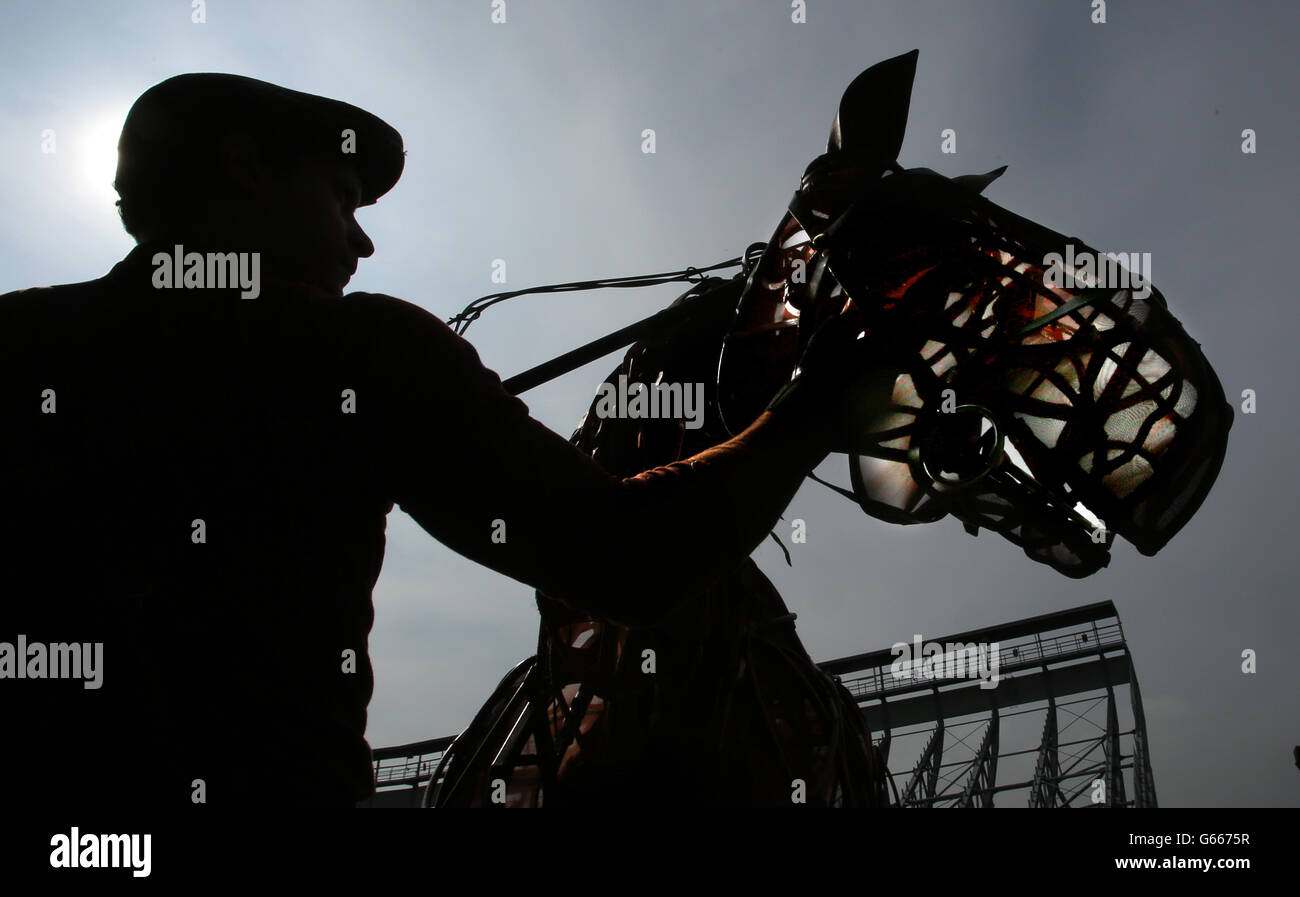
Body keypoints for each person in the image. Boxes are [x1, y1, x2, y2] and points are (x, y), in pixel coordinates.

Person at [0, 74, 870, 807]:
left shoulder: (22, 337)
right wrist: (827, 397)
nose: (362, 237)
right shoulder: (358, 350)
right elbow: (630, 559)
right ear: (244, 165)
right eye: (341, 197)